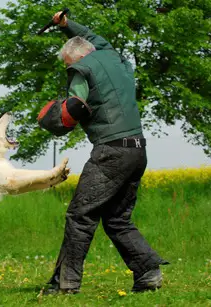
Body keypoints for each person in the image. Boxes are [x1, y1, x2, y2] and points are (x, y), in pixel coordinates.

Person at [37, 11, 169, 295]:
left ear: (75, 58)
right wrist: (65, 25)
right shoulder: (115, 57)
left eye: (66, 63)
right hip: (137, 150)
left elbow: (72, 109)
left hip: (111, 152)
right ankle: (148, 271)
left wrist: (52, 119)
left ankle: (65, 284)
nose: (67, 68)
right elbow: (94, 37)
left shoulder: (81, 70)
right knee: (116, 218)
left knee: (80, 215)